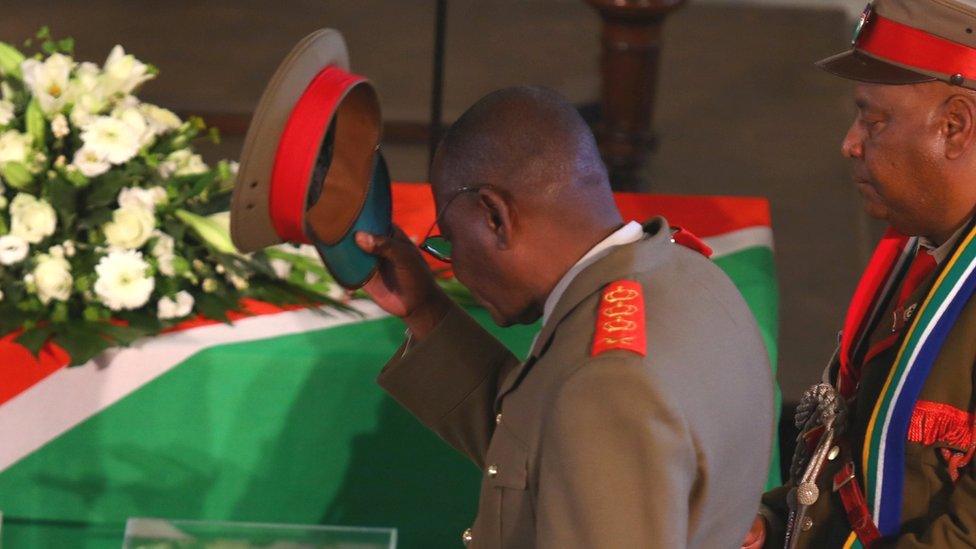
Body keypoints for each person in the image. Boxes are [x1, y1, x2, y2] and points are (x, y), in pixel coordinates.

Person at [356, 86, 774, 548]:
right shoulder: (688, 275)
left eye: (452, 238)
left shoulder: (607, 384)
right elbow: (541, 447)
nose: (454, 263)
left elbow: (583, 420)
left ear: (495, 216)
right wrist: (426, 311)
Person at [744, 1, 976, 547]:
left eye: (874, 121)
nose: (850, 143)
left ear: (955, 127)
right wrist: (774, 522)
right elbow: (862, 451)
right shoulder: (918, 249)